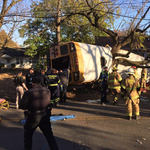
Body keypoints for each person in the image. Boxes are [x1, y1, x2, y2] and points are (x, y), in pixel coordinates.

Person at [19, 76, 59, 150]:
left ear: (33, 83)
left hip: (33, 116)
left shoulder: (29, 92)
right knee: (49, 135)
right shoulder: (47, 90)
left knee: (28, 135)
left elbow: (22, 105)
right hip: (45, 115)